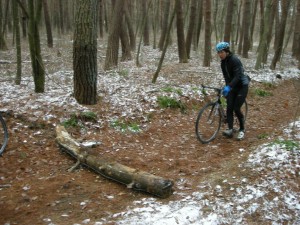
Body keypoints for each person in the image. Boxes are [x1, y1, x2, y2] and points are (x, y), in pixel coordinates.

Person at [216, 42, 250, 140]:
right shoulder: (223, 63)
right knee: (229, 107)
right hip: (232, 87)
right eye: (218, 52)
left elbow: (238, 76)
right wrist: (227, 87)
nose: (220, 54)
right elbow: (226, 77)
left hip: (242, 86)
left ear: (227, 51)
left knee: (236, 108)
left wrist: (229, 87)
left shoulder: (235, 60)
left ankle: (242, 129)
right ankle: (230, 129)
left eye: (221, 52)